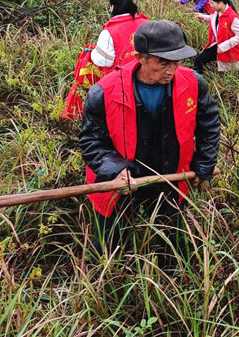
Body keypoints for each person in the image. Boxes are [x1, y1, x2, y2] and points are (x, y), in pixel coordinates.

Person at [80, 19, 221, 252]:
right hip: (122, 178)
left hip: (171, 174)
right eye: (163, 62)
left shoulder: (193, 83)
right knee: (108, 241)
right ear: (140, 58)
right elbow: (91, 141)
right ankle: (105, 277)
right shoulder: (104, 92)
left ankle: (170, 275)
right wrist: (114, 169)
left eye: (177, 62)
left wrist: (204, 163)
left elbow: (209, 123)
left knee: (172, 238)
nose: (171, 70)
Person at [90, 0, 149, 72]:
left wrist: (92, 52)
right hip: (147, 75)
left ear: (112, 7)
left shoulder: (109, 32)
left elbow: (104, 61)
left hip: (122, 79)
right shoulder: (147, 23)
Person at [193, 0, 239, 74]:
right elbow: (216, 19)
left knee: (231, 71)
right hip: (218, 44)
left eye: (212, 3)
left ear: (220, 3)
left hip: (228, 47)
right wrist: (203, 17)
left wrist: (224, 46)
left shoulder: (232, 17)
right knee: (199, 60)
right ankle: (197, 79)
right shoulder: (217, 11)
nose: (210, 5)